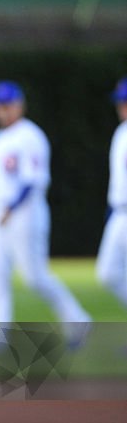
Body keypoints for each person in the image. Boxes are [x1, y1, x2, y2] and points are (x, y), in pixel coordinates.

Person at [0, 80, 91, 350]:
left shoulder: (30, 136)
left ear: (19, 105)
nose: (3, 111)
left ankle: (78, 321)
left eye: (8, 105)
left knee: (34, 276)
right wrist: (2, 210)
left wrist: (11, 208)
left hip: (25, 211)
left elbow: (34, 180)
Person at [96, 78, 127, 311]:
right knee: (107, 274)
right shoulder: (121, 132)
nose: (122, 107)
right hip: (119, 213)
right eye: (120, 102)